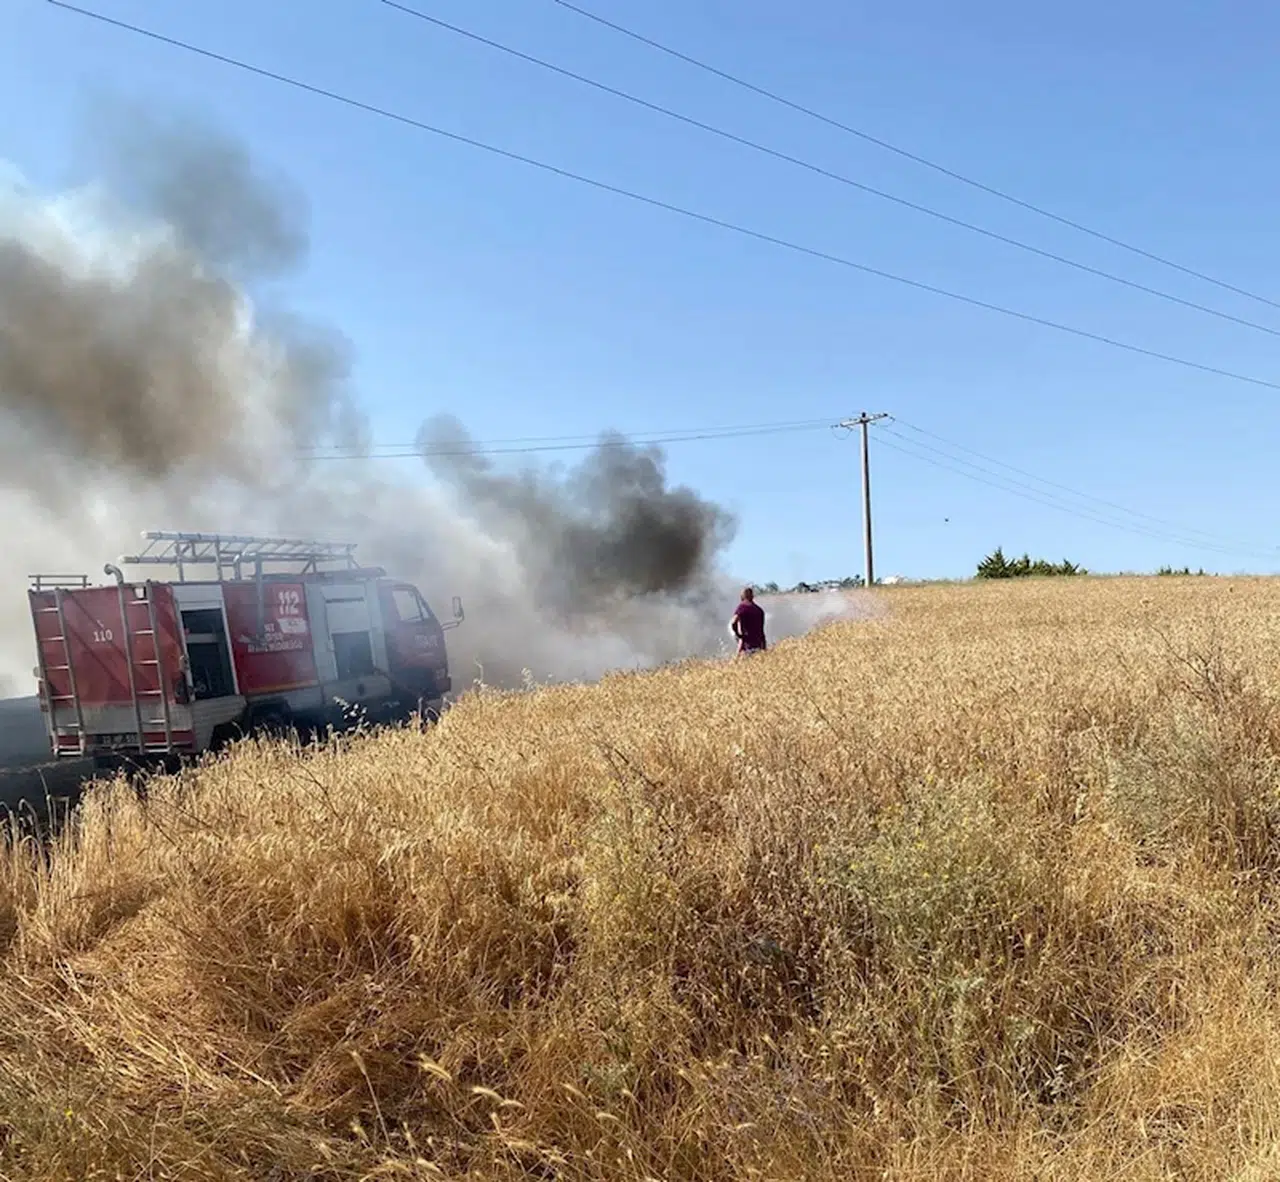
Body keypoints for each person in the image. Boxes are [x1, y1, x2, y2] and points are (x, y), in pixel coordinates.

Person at [730, 586, 767, 655]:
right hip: (759, 645)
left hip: (747, 646)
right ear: (752, 596)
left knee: (740, 660)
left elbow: (733, 622)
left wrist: (738, 634)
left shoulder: (742, 607)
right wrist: (764, 647)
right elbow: (762, 631)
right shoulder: (759, 610)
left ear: (742, 596)